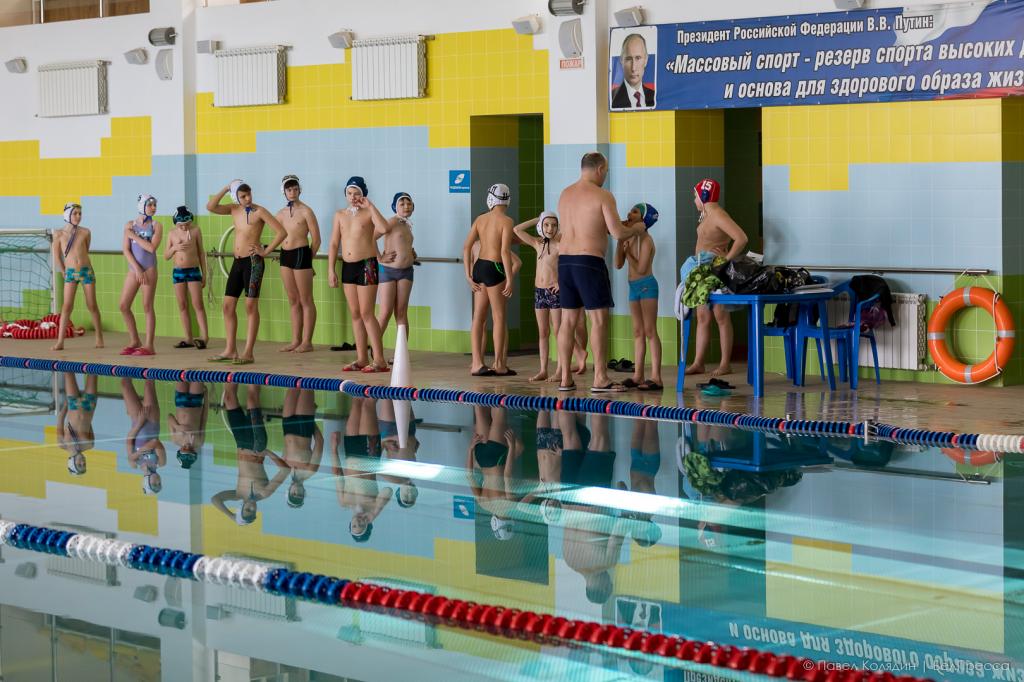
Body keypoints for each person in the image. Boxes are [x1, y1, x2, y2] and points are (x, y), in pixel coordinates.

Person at [556, 152, 644, 392]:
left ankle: (565, 378)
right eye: (605, 171)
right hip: (589, 262)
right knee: (598, 320)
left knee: (568, 321)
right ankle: (600, 378)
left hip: (564, 262)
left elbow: (583, 226)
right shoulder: (603, 195)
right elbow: (617, 233)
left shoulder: (565, 194)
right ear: (600, 168)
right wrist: (637, 228)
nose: (605, 175)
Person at [206, 180, 287, 365]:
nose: (248, 198)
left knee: (250, 307)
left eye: (249, 194)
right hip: (237, 262)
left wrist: (265, 251)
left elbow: (281, 232)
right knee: (227, 306)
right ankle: (230, 349)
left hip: (253, 262)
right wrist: (226, 187)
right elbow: (211, 206)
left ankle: (248, 352)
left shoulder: (260, 211)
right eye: (243, 196)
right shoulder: (234, 209)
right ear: (236, 197)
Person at [683, 178, 749, 378]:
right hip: (702, 270)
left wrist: (725, 260)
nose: (694, 200)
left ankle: (724, 363)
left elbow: (741, 238)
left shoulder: (718, 215)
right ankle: (698, 362)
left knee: (721, 316)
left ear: (703, 196)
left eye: (695, 196)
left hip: (715, 271)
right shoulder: (706, 215)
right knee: (702, 316)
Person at [327, 176, 392, 373]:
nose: (353, 197)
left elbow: (385, 228)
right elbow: (333, 243)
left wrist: (371, 207)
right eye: (349, 193)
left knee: (366, 313)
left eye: (357, 193)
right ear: (345, 194)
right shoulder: (340, 215)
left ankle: (379, 359)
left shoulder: (367, 214)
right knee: (355, 314)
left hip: (367, 266)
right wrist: (331, 269)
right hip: (348, 267)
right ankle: (362, 358)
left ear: (363, 195)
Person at [212, 384, 290, 525]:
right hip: (256, 443)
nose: (252, 508)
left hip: (240, 441)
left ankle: (232, 370)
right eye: (253, 512)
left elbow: (215, 500)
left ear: (241, 509)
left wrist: (230, 516)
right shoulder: (265, 493)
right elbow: (285, 470)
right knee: (252, 400)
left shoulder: (237, 495)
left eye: (248, 511)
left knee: (229, 399)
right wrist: (267, 452)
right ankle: (255, 373)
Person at [463, 183, 516, 377]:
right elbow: (504, 252)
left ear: (491, 199)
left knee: (479, 317)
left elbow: (467, 248)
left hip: (479, 266)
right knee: (499, 317)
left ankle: (476, 363)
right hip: (495, 267)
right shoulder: (507, 221)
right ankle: (499, 364)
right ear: (508, 200)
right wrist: (510, 279)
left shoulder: (480, 219)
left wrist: (468, 275)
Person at [614, 202, 663, 391]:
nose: (629, 213)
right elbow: (618, 265)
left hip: (647, 286)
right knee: (637, 332)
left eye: (635, 211)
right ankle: (638, 375)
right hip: (633, 287)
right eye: (631, 210)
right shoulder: (629, 238)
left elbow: (642, 269)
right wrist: (620, 244)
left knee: (650, 331)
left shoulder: (647, 241)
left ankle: (656, 378)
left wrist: (628, 253)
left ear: (644, 219)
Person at [330, 396, 391, 542]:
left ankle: (361, 375)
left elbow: (337, 474)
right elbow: (387, 491)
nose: (358, 521)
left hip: (351, 453)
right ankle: (381, 376)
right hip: (369, 454)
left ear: (350, 523)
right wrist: (374, 513)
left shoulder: (344, 502)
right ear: (368, 524)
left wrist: (334, 449)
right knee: (368, 404)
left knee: (356, 402)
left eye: (354, 525)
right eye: (362, 525)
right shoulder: (373, 504)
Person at [276, 174, 321, 353]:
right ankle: (295, 340)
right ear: (284, 192)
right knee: (293, 300)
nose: (292, 192)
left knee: (306, 300)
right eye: (289, 189)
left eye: (295, 189)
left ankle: (307, 341)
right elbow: (274, 232)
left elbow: (316, 240)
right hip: (285, 255)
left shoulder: (306, 211)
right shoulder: (280, 214)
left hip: (301, 254)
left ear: (299, 190)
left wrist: (308, 261)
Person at [466, 405, 523, 541]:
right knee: (479, 408)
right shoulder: (483, 504)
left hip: (496, 456)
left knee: (499, 408)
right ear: (494, 523)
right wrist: (470, 450)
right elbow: (469, 475)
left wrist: (512, 447)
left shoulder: (510, 505)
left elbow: (507, 476)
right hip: (481, 457)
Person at [51, 203, 103, 351]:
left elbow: (85, 250)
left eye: (80, 213)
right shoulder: (59, 234)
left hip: (86, 271)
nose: (79, 217)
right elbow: (57, 256)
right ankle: (60, 341)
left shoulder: (86, 232)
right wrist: (63, 270)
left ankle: (99, 336)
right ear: (67, 214)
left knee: (92, 305)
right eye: (75, 214)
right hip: (70, 273)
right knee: (67, 306)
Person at [119, 195, 162, 357]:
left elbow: (151, 248)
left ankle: (149, 345)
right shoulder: (129, 225)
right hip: (134, 269)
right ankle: (135, 340)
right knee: (123, 305)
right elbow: (126, 249)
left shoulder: (157, 226)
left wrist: (134, 236)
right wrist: (137, 268)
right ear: (142, 206)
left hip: (149, 269)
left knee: (147, 306)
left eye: (155, 205)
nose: (153, 207)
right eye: (150, 205)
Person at [164, 205, 209, 350]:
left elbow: (201, 253)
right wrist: (174, 248)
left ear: (190, 221)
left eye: (186, 224)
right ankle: (188, 338)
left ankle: (204, 337)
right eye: (181, 225)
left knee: (198, 304)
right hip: (178, 272)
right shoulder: (171, 234)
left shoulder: (195, 231)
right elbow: (166, 256)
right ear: (176, 223)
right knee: (182, 305)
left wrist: (204, 274)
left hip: (194, 271)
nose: (184, 228)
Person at [376, 192, 416, 340]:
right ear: (395, 207)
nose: (406, 206)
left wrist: (411, 253)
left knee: (401, 312)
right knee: (385, 312)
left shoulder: (406, 224)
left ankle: (401, 355)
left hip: (406, 272)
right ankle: (375, 351)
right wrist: (379, 257)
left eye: (409, 203)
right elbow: (370, 237)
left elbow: (401, 244)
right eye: (402, 203)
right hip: (388, 271)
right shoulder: (391, 222)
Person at [122, 379, 166, 496]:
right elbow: (155, 442)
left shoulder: (134, 464)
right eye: (159, 484)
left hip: (137, 420)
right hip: (152, 420)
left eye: (155, 484)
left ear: (146, 482)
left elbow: (129, 439)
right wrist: (138, 452)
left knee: (125, 384)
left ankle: (131, 360)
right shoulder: (161, 462)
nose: (158, 481)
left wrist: (139, 423)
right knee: (149, 383)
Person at [281, 387, 323, 508]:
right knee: (306, 385)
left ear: (288, 491)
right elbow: (319, 442)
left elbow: (287, 445)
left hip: (287, 426)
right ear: (304, 493)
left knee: (292, 386)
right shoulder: (310, 471)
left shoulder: (286, 470)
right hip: (304, 427)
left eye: (294, 494)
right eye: (300, 495)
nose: (297, 492)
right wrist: (311, 421)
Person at [57, 372, 97, 476]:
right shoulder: (90, 445)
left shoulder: (62, 444)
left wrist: (67, 405)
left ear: (71, 463)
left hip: (73, 404)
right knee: (94, 371)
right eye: (84, 465)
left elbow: (60, 419)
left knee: (68, 371)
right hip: (89, 404)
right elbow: (89, 423)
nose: (83, 462)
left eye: (79, 465)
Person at [167, 380, 208, 470]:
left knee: (182, 373)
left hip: (180, 401)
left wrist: (178, 427)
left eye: (184, 448)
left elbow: (169, 417)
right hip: (196, 402)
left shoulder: (175, 439)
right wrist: (207, 398)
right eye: (191, 450)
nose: (188, 446)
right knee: (197, 374)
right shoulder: (199, 442)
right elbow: (204, 419)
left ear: (179, 451)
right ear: (194, 452)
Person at [610, 33, 655, 110]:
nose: (633, 68)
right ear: (621, 61)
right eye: (628, 59)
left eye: (638, 58)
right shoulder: (611, 98)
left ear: (646, 60)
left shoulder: (654, 96)